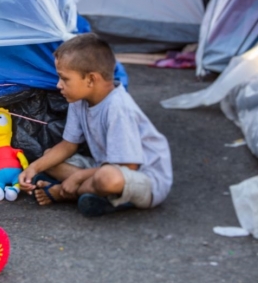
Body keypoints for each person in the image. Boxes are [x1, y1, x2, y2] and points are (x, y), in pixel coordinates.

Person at [18, 33, 172, 217]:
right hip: (103, 166)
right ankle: (93, 193)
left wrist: (78, 177)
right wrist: (33, 168)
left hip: (145, 179)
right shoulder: (78, 99)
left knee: (107, 178)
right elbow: (68, 145)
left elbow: (128, 167)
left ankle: (63, 192)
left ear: (91, 79)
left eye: (64, 79)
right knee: (49, 157)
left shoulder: (118, 108)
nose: (58, 85)